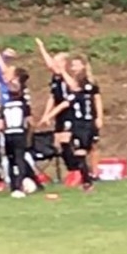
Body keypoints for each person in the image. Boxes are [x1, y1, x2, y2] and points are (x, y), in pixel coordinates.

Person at [41, 70, 97, 192]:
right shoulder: (89, 92)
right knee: (83, 153)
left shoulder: (74, 95)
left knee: (79, 155)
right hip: (90, 126)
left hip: (80, 126)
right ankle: (87, 181)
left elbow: (63, 105)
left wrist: (48, 116)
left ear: (77, 84)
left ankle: (87, 183)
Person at [36, 38, 76, 175]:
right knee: (59, 142)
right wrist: (45, 115)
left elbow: (66, 102)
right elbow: (53, 97)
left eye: (57, 62)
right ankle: (72, 170)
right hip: (59, 114)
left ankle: (77, 170)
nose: (53, 65)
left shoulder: (68, 79)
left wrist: (49, 115)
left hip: (70, 113)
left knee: (67, 141)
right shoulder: (56, 78)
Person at [0, 79, 32, 198]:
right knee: (20, 159)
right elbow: (29, 121)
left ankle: (13, 186)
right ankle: (20, 185)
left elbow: (0, 125)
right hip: (19, 133)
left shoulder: (4, 106)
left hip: (8, 134)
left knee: (11, 161)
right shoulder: (24, 105)